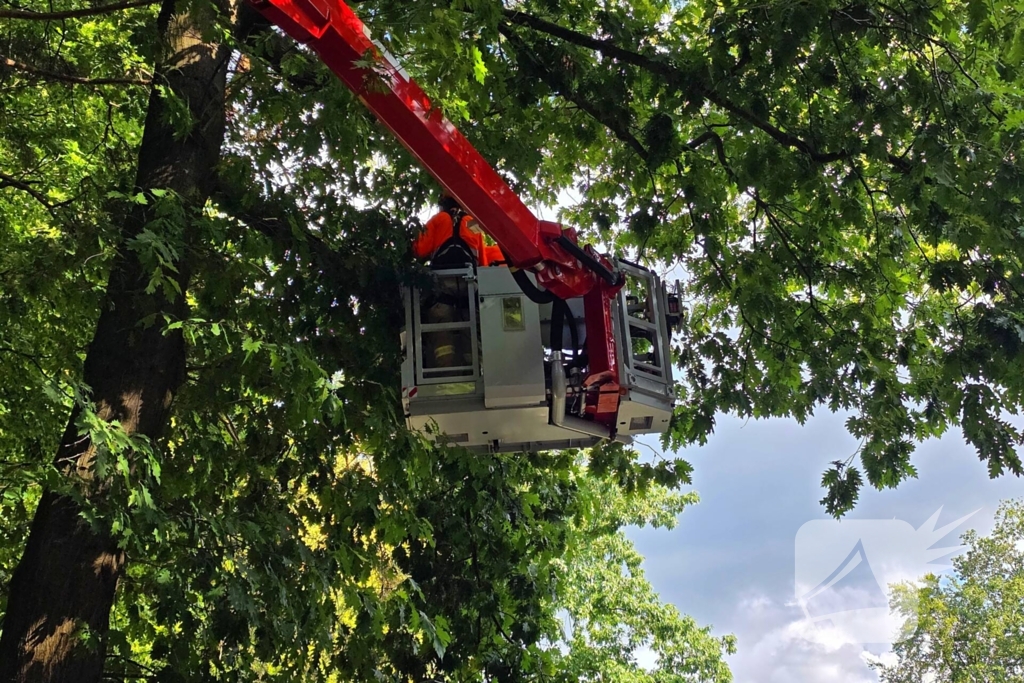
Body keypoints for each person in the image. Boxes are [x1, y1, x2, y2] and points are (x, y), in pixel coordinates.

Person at [413, 195, 484, 370]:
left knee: (442, 326)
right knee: (471, 326)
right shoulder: (473, 223)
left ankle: (447, 369)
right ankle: (474, 367)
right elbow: (482, 259)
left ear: (442, 205)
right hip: (469, 284)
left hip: (443, 283)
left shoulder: (438, 220)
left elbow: (419, 249)